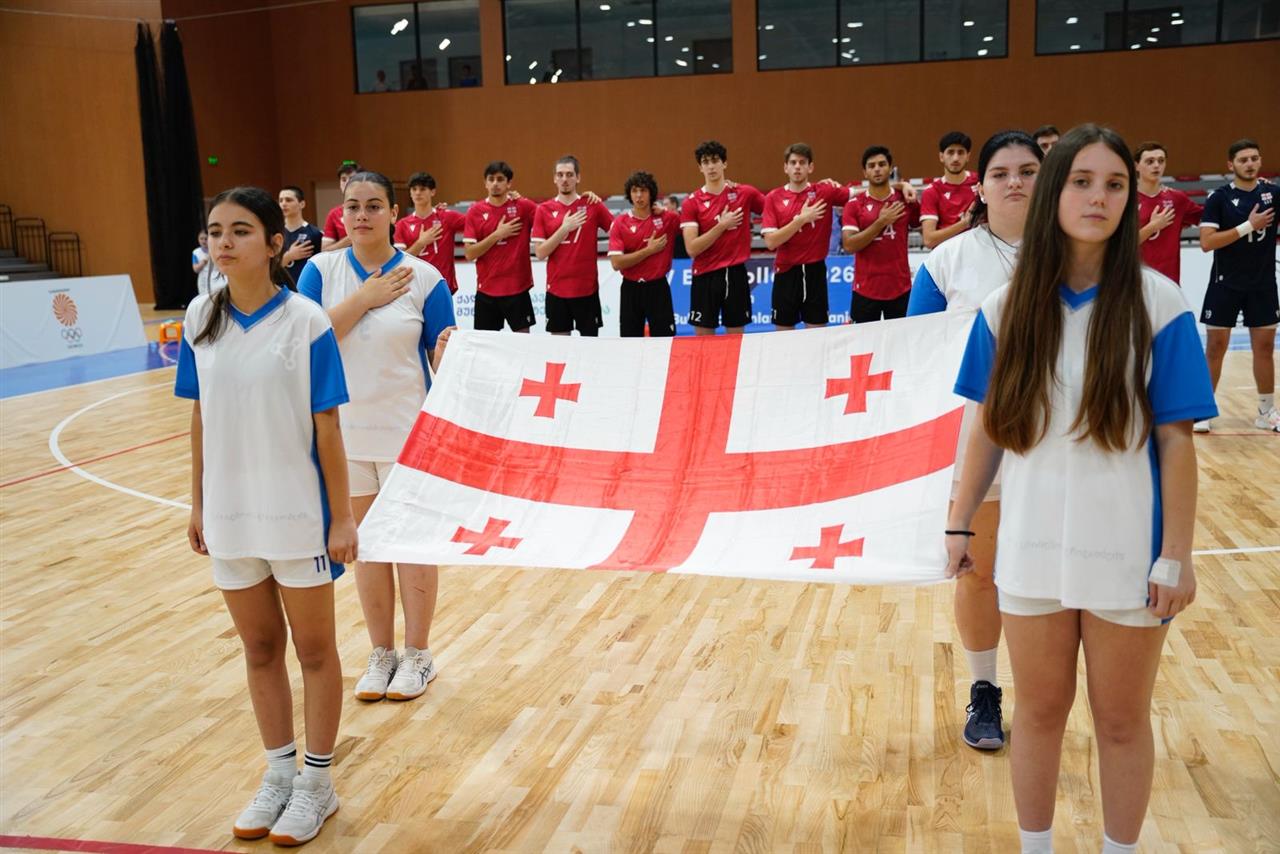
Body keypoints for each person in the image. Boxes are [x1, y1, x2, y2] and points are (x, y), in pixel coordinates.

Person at [947, 124, 1216, 854]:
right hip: (1030, 551)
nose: (1099, 197)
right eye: (1082, 181)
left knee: (1122, 722)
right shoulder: (1004, 308)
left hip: (1129, 554)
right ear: (1054, 193)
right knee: (1037, 716)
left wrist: (1177, 555)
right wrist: (960, 521)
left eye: (1115, 185)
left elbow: (1176, 441)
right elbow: (986, 427)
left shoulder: (1161, 304)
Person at [175, 186, 355, 846]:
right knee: (258, 649)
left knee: (314, 651)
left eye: (241, 230)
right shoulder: (200, 316)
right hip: (229, 515)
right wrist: (198, 501)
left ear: (275, 244)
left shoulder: (307, 321)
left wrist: (341, 518)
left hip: (298, 516)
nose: (223, 242)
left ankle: (318, 783)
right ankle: (278, 773)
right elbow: (201, 415)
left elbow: (328, 426)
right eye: (215, 230)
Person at [297, 171, 457, 704]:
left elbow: (443, 364)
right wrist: (364, 299)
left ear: (394, 213)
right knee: (365, 549)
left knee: (410, 546)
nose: (361, 215)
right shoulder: (320, 272)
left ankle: (418, 654)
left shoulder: (426, 278)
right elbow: (306, 343)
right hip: (342, 438)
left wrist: (448, 353)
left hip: (409, 438)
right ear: (341, 213)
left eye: (373, 206)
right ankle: (381, 652)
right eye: (352, 206)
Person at [908, 130, 1045, 752]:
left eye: (1028, 170)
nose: (1015, 182)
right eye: (1001, 173)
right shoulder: (947, 261)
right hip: (978, 442)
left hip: (1059, 446)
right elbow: (914, 354)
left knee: (1047, 578)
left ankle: (1046, 695)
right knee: (980, 573)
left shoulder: (1080, 254)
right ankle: (985, 689)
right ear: (981, 186)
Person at [1196, 138, 1279, 433]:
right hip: (1225, 284)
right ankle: (1203, 410)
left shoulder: (1273, 193)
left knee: (1265, 348)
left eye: (1254, 158)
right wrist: (1248, 226)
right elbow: (1207, 242)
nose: (1250, 164)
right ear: (1231, 165)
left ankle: (1267, 411)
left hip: (1263, 284)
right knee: (1215, 347)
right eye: (1243, 160)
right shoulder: (1219, 198)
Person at [680, 140, 766, 335]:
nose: (711, 166)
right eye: (705, 162)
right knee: (704, 342)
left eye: (715, 161)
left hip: (736, 274)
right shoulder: (691, 203)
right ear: (700, 167)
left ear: (724, 163)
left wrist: (815, 189)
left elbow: (777, 209)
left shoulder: (745, 193)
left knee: (736, 340)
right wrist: (722, 226)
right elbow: (692, 248)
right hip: (705, 276)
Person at [761, 142, 847, 329]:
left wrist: (900, 185)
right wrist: (801, 219)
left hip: (815, 272)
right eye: (793, 163)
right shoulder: (773, 198)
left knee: (817, 336)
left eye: (802, 162)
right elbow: (771, 242)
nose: (797, 167)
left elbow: (865, 194)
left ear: (811, 167)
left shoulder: (824, 191)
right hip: (786, 273)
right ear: (786, 167)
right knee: (785, 335)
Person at [532, 155, 614, 336]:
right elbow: (540, 253)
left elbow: (617, 230)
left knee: (589, 347)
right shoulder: (543, 210)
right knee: (560, 347)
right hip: (556, 290)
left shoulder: (592, 205)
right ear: (554, 178)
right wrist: (564, 228)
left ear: (578, 177)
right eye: (560, 175)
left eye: (569, 174)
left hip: (587, 290)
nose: (564, 179)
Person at [841, 145, 921, 322]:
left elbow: (923, 229)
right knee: (865, 340)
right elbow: (849, 245)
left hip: (900, 288)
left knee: (901, 338)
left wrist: (904, 185)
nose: (877, 169)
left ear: (890, 168)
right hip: (865, 289)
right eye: (871, 166)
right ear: (865, 172)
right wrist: (881, 222)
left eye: (882, 164)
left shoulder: (905, 199)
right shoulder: (854, 205)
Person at [462, 161, 539, 332]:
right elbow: (469, 254)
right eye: (491, 179)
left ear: (509, 183)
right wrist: (497, 235)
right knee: (486, 345)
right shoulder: (475, 211)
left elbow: (548, 218)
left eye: (500, 179)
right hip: (487, 290)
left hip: (517, 288)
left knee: (523, 342)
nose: (495, 183)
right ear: (485, 183)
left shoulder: (523, 207)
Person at [608, 170, 679, 337]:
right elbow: (616, 263)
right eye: (634, 191)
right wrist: (649, 250)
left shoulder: (667, 219)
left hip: (658, 288)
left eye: (643, 190)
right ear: (629, 194)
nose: (639, 195)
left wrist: (665, 211)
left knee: (664, 342)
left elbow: (692, 224)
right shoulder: (620, 223)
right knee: (630, 342)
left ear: (651, 193)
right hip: (631, 289)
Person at [1133, 142, 1203, 284]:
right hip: (1135, 279)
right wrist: (1152, 227)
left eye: (1161, 161)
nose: (1156, 165)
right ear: (1136, 166)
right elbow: (1120, 245)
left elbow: (1208, 219)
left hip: (1169, 281)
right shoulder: (1125, 200)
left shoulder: (1177, 199)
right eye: (1150, 161)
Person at [393, 171, 466, 294]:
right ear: (410, 193)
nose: (417, 193)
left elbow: (475, 222)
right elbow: (399, 262)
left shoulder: (447, 217)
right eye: (414, 189)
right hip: (415, 289)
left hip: (443, 287)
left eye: (422, 189)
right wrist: (420, 243)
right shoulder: (402, 225)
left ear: (432, 192)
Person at [920, 131, 979, 249]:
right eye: (950, 152)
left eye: (961, 152)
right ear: (941, 157)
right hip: (947, 256)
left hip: (977, 253)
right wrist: (965, 223)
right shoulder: (931, 192)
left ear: (968, 156)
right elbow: (929, 240)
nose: (955, 158)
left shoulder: (981, 183)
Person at [279, 186, 324, 290]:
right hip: (280, 289)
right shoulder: (274, 233)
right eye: (281, 200)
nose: (283, 204)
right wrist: (289, 256)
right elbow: (267, 268)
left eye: (288, 200)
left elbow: (321, 266)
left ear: (302, 204)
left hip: (306, 289)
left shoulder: (315, 233)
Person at [321, 163, 360, 252]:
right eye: (343, 179)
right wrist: (350, 238)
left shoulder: (374, 210)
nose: (347, 182)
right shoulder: (334, 214)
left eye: (352, 179)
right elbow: (325, 250)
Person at [665, 194, 689, 259]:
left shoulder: (685, 216)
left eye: (666, 204)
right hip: (671, 249)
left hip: (684, 248)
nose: (665, 207)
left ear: (674, 205)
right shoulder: (665, 219)